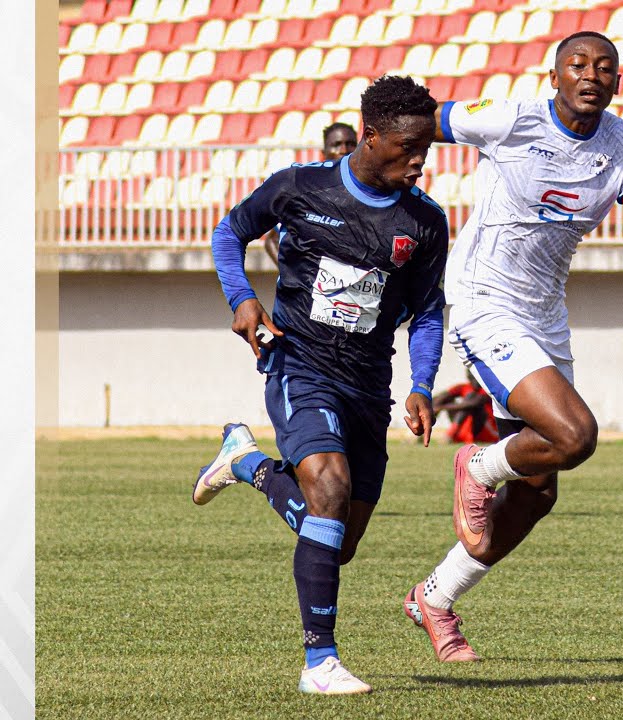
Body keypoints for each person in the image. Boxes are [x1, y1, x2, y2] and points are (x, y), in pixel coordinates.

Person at [401, 31, 623, 662]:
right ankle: (477, 466)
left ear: (617, 83)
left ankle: (434, 598)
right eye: (577, 64)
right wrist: (382, 185)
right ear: (554, 77)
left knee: (538, 491)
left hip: (544, 316)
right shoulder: (510, 119)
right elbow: (421, 122)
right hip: (484, 300)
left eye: (604, 68)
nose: (591, 75)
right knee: (576, 435)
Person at [193, 76, 447, 694]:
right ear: (370, 136)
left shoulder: (425, 221)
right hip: (300, 364)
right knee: (329, 489)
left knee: (338, 541)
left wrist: (422, 383)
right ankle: (320, 664)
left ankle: (247, 463)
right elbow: (229, 232)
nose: (420, 160)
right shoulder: (300, 188)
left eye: (427, 148)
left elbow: (428, 312)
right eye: (408, 147)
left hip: (369, 385)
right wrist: (242, 298)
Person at [263, 122, 359, 265]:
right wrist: (291, 272)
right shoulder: (308, 188)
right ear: (324, 152)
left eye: (350, 144)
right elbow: (272, 240)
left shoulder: (371, 189)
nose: (344, 150)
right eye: (336, 144)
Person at [432, 373, 499, 444]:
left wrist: (441, 407)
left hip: (487, 431)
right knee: (447, 400)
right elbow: (439, 398)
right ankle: (426, 430)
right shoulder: (464, 387)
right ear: (469, 377)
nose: (476, 381)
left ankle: (450, 434)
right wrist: (435, 408)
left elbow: (473, 403)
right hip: (467, 428)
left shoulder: (488, 390)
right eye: (474, 378)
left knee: (470, 400)